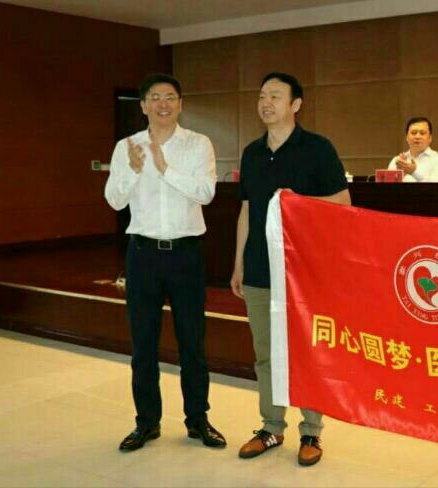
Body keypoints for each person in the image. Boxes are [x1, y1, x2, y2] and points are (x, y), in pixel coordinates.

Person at [230, 72, 351, 466]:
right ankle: (271, 426)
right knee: (265, 354)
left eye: (276, 96)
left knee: (307, 352)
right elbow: (246, 210)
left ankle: (312, 431)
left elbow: (343, 203)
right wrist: (239, 262)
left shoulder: (318, 149)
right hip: (259, 268)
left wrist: (299, 203)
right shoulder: (251, 153)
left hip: (305, 272)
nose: (266, 103)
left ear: (296, 104)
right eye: (262, 96)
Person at [105, 73, 226, 451]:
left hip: (186, 254)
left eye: (170, 97)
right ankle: (147, 423)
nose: (163, 104)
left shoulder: (198, 144)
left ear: (180, 104)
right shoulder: (126, 147)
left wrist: (163, 168)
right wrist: (134, 170)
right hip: (142, 255)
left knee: (193, 342)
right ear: (143, 105)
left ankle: (198, 421)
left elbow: (206, 193)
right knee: (143, 345)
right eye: (155, 98)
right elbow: (114, 200)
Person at [387, 116, 438, 182]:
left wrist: (414, 172)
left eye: (422, 133)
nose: (417, 137)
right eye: (413, 133)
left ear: (430, 138)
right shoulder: (397, 161)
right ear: (407, 138)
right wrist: (399, 175)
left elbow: (437, 187)